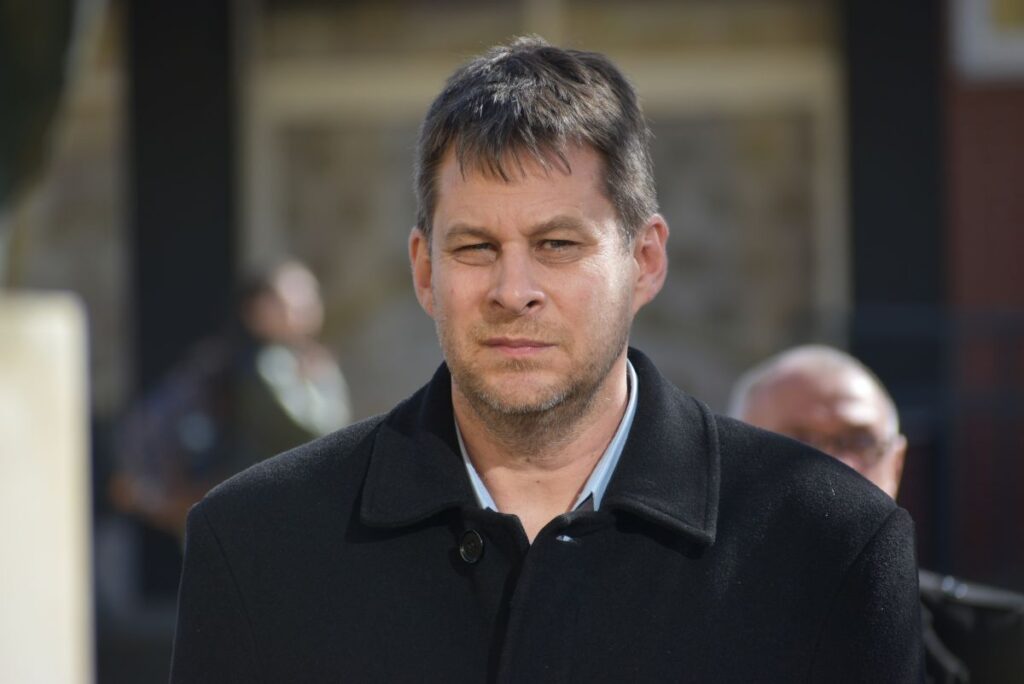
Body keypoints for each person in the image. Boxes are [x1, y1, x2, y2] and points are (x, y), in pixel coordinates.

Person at [170, 37, 923, 682]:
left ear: (646, 261)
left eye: (557, 244)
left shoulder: (832, 548)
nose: (513, 290)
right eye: (475, 247)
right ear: (425, 270)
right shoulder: (255, 546)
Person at [730, 344, 1024, 684]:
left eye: (858, 442)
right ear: (737, 460)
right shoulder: (682, 622)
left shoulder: (997, 650)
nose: (835, 465)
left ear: (896, 465)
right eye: (798, 442)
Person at [112, 258, 351, 540]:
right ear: (255, 309)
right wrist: (318, 383)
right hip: (250, 510)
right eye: (289, 299)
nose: (304, 307)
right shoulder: (263, 364)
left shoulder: (293, 360)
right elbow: (319, 431)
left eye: (309, 296)